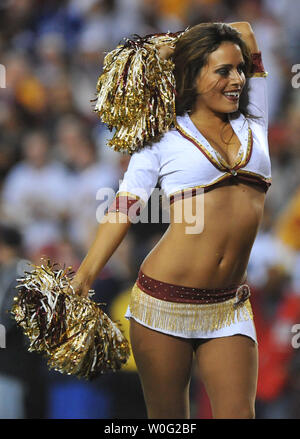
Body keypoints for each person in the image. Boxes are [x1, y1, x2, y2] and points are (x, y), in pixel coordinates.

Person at [70, 21, 271, 419]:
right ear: (193, 77)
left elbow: (245, 30)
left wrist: (180, 44)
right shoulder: (161, 137)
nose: (237, 79)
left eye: (240, 69)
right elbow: (124, 205)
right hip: (162, 303)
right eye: (223, 71)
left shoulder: (255, 117)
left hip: (228, 307)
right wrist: (86, 275)